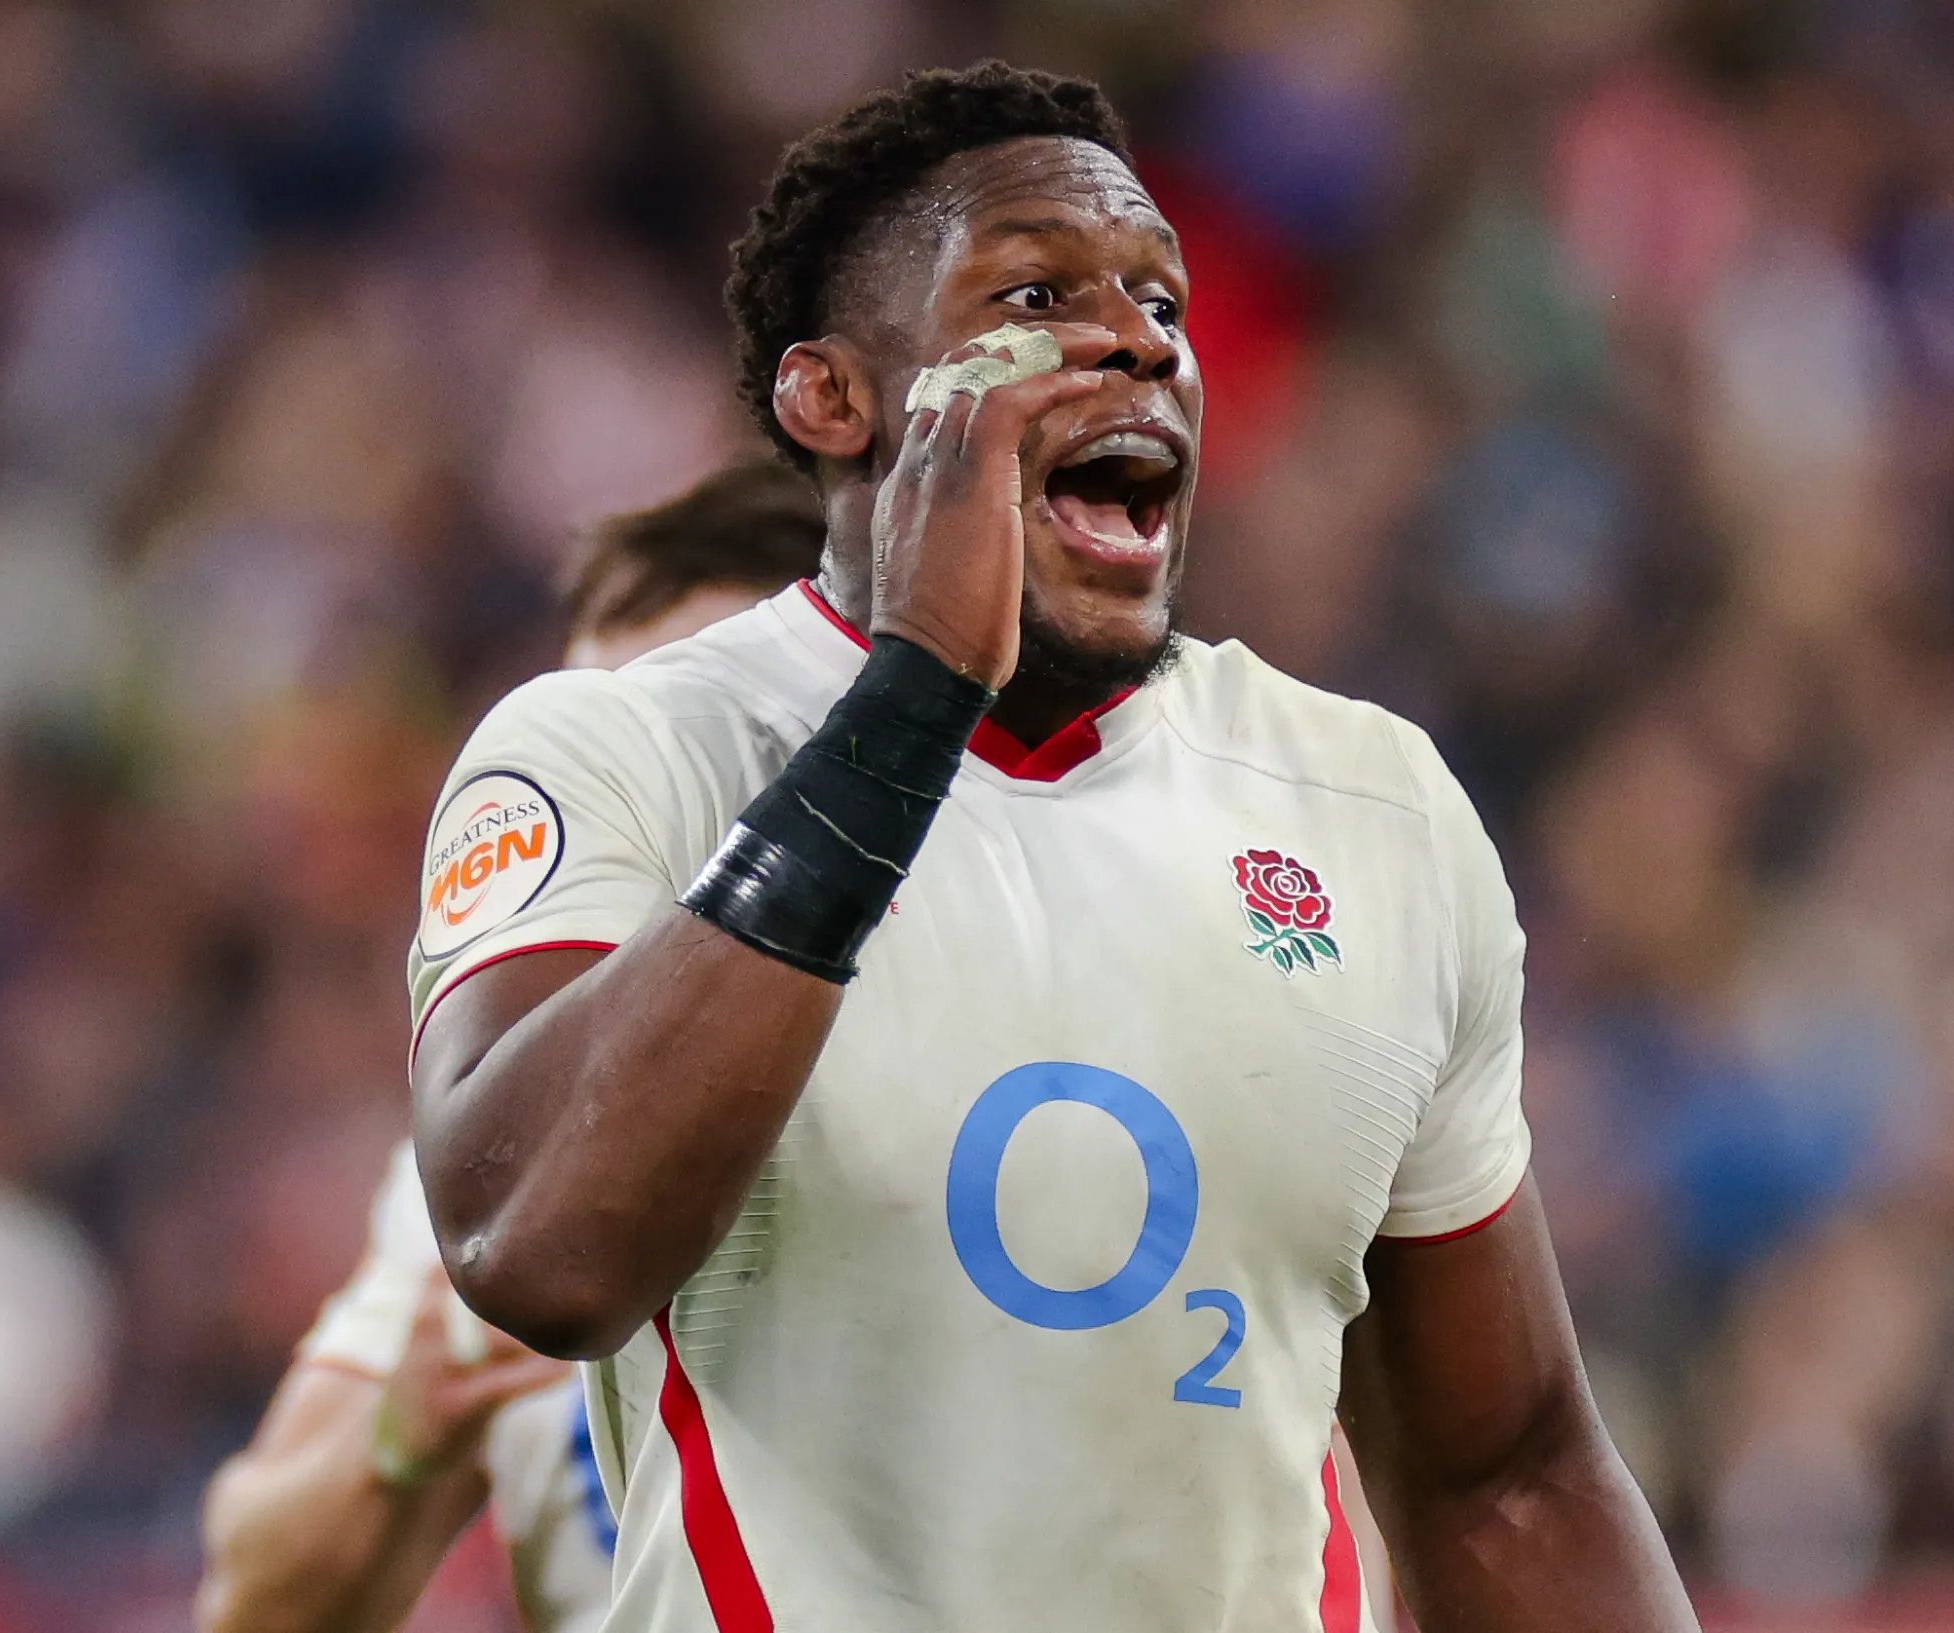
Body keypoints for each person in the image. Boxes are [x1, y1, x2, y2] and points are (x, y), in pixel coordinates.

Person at [409, 60, 1699, 1633]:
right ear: (833, 398)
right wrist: (918, 695)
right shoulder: (622, 754)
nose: (1138, 339)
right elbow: (534, 1244)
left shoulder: (1373, 807)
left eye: (1163, 302)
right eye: (1036, 295)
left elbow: (1504, 1472)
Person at [195, 461, 829, 1633]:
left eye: (682, 744)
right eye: (582, 744)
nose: (611, 803)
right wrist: (402, 1436)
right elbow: (253, 1601)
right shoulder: (500, 1165)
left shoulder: (985, 1076)